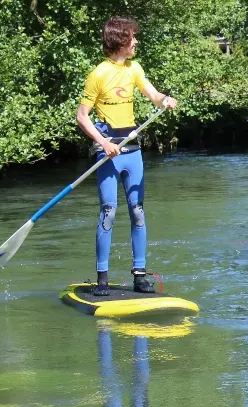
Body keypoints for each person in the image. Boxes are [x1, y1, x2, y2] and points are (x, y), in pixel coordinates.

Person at [76, 17, 177, 296]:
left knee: (138, 212)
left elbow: (153, 95)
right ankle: (102, 278)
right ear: (120, 40)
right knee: (108, 212)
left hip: (132, 151)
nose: (135, 41)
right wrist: (102, 142)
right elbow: (82, 117)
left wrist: (165, 100)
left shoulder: (134, 69)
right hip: (108, 152)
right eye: (132, 37)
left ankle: (140, 275)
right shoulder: (98, 74)